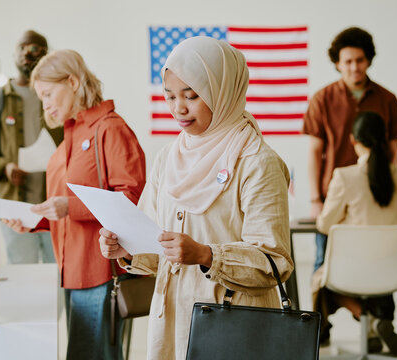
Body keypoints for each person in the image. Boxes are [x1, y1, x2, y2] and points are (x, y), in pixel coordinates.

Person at [99, 36, 293, 359]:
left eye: (192, 96)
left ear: (222, 92)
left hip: (232, 325)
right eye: (170, 96)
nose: (179, 108)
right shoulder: (168, 158)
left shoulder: (258, 162)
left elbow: (274, 263)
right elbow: (155, 240)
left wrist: (207, 255)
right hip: (173, 320)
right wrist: (127, 249)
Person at [3, 49, 146, 359]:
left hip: (101, 271)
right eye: (41, 98)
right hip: (72, 270)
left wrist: (69, 208)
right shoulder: (71, 134)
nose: (46, 105)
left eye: (48, 94)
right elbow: (63, 206)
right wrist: (34, 220)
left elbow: (131, 200)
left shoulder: (110, 129)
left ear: (73, 81)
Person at [303, 27, 397, 273]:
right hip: (334, 198)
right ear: (337, 63)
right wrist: (316, 200)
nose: (354, 67)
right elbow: (315, 152)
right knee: (324, 265)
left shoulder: (388, 99)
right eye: (347, 61)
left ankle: (374, 313)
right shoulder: (322, 99)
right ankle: (322, 312)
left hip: (378, 196)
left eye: (359, 60)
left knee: (380, 267)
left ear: (368, 60)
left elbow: (394, 150)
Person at [313, 111, 397, 356]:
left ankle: (364, 317)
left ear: (353, 140)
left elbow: (324, 225)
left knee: (322, 283)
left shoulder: (344, 177)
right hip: (391, 271)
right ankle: (377, 324)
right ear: (385, 139)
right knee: (376, 274)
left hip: (350, 272)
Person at [0, 30, 63, 264]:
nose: (27, 53)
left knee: (56, 276)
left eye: (34, 48)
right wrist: (5, 167)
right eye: (22, 48)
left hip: (53, 204)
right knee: (24, 277)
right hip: (15, 206)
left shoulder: (57, 97)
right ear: (14, 54)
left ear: (46, 55)